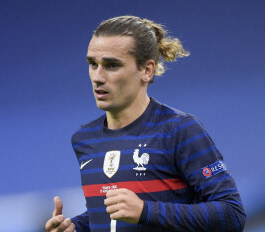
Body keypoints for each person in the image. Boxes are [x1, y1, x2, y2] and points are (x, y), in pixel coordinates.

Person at [45, 15, 246, 232]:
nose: (98, 77)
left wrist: (145, 211)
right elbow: (111, 216)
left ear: (147, 70)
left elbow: (232, 214)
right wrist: (76, 227)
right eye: (93, 64)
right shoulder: (85, 139)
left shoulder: (179, 130)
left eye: (112, 65)